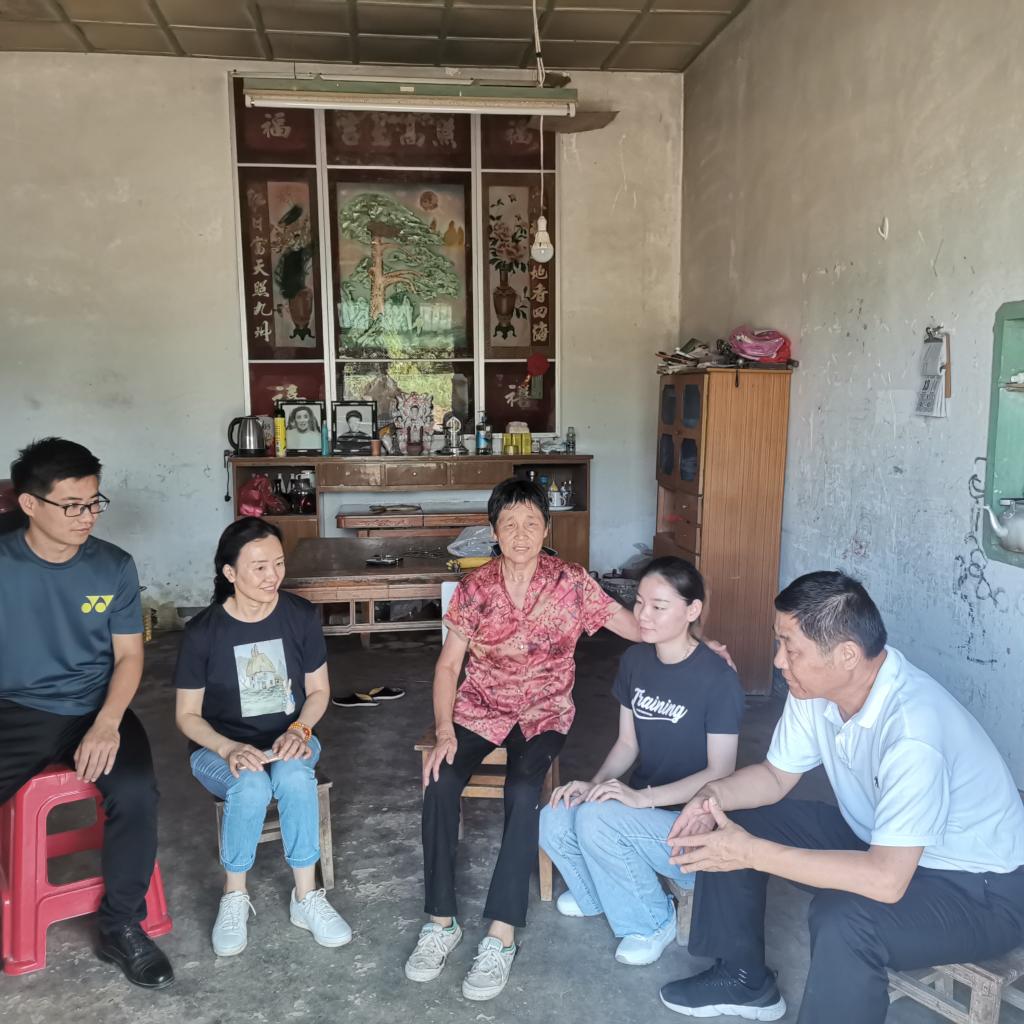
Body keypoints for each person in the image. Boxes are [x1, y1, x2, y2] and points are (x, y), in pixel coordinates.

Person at [660, 571, 1024, 1022]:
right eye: (779, 643)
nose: (779, 660)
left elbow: (886, 881)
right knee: (730, 817)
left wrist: (750, 852)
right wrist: (710, 795)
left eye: (791, 648)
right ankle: (741, 979)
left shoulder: (913, 731)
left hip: (978, 890)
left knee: (845, 921)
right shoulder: (815, 690)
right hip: (881, 841)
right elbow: (774, 777)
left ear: (847, 655)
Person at [403, 477, 643, 1001]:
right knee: (439, 781)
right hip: (481, 707)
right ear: (493, 531)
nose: (520, 533)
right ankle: (440, 921)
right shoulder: (475, 588)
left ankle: (501, 934)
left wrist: (691, 638)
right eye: (508, 523)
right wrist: (444, 731)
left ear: (546, 529)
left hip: (543, 711)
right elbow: (448, 666)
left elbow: (632, 625)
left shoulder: (572, 582)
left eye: (531, 522)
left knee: (521, 790)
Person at [0, 438, 173, 989]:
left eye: (94, 502)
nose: (87, 516)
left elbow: (129, 657)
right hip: (14, 709)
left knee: (137, 792)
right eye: (73, 505)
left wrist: (106, 723)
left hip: (95, 708)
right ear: (30, 504)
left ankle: (121, 926)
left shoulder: (112, 566)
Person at [539, 556, 744, 967]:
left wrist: (641, 798)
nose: (643, 615)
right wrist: (595, 784)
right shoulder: (636, 661)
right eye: (639, 603)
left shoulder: (718, 678)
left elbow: (720, 772)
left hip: (692, 825)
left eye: (659, 606)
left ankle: (652, 921)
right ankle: (598, 895)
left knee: (597, 819)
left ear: (692, 610)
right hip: (640, 812)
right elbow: (627, 744)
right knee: (555, 814)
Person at [174, 517, 351, 957]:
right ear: (230, 573)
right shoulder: (203, 633)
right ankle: (234, 895)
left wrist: (300, 729)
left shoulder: (299, 616)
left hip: (290, 738)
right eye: (258, 567)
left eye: (278, 563)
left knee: (293, 776)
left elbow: (318, 691)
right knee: (251, 784)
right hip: (219, 748)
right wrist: (228, 747)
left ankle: (306, 897)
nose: (273, 576)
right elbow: (187, 716)